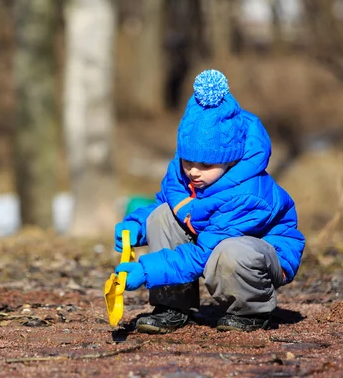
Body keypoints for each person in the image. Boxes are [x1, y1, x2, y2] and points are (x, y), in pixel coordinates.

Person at [114, 69, 305, 334]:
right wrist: (137, 225)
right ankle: (171, 306)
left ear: (232, 158)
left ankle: (250, 310)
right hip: (210, 242)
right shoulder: (185, 174)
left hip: (259, 252)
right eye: (188, 160)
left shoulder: (246, 194)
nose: (193, 171)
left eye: (205, 164)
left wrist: (146, 271)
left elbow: (203, 255)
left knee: (230, 253)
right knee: (160, 215)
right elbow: (165, 204)